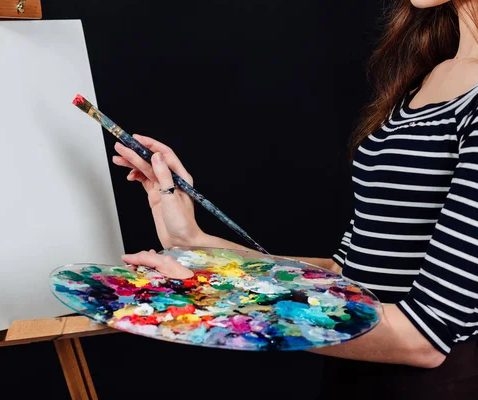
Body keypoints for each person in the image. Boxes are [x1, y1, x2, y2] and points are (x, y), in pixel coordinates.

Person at [111, 0, 478, 397]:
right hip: (360, 378)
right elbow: (345, 277)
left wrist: (217, 296)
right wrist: (198, 246)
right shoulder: (431, 77)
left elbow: (422, 339)